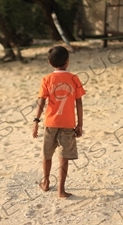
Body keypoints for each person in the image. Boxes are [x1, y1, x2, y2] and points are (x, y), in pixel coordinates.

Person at [32, 46, 85, 198]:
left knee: (47, 154)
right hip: (68, 123)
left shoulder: (47, 79)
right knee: (64, 156)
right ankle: (61, 190)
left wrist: (36, 121)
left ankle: (46, 182)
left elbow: (41, 102)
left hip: (50, 123)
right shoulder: (74, 78)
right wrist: (80, 124)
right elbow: (79, 103)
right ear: (67, 62)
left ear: (49, 62)